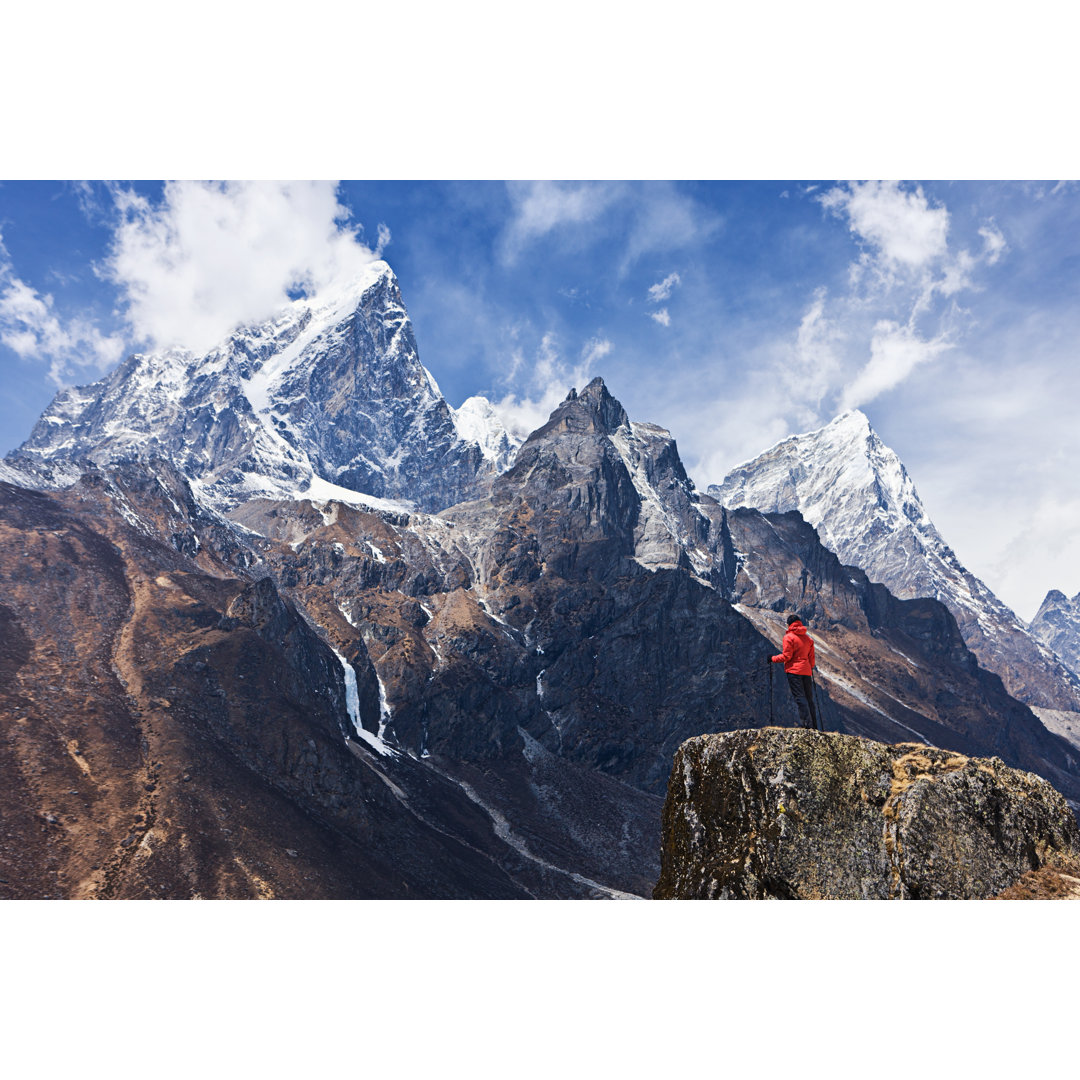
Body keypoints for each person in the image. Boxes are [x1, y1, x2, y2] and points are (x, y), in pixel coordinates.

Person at [770, 614, 820, 731]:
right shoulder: (808, 639)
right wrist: (809, 667)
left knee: (800, 697)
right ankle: (814, 725)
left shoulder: (789, 637)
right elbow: (811, 659)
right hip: (806, 671)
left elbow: (787, 656)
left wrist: (772, 658)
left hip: (794, 671)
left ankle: (807, 725)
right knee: (809, 698)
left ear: (788, 624)